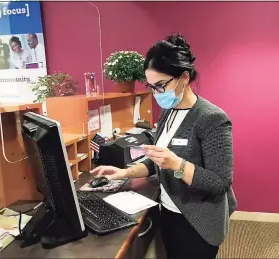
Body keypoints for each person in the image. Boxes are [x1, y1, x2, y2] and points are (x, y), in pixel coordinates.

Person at [91, 33, 237, 259]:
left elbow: (220, 183)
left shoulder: (212, 119)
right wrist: (125, 172)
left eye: (160, 86)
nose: (156, 94)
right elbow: (158, 160)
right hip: (169, 211)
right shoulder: (169, 112)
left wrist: (177, 164)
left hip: (197, 221)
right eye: (151, 87)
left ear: (184, 77)